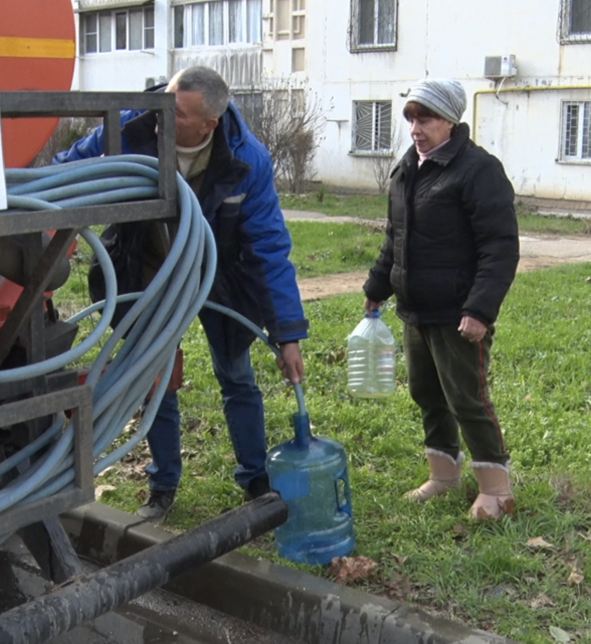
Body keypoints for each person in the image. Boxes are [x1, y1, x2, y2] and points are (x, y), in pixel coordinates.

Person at [54, 66, 307, 521]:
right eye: (165, 103)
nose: (163, 117)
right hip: (147, 268)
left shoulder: (247, 159)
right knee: (155, 377)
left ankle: (256, 480)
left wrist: (288, 332)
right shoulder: (130, 128)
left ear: (209, 123)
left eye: (179, 112)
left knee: (236, 374)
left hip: (219, 275)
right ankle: (163, 484)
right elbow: (64, 172)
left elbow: (269, 247)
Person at [362, 78, 520, 520]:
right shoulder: (406, 169)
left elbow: (500, 246)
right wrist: (377, 288)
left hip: (458, 313)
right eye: (411, 117)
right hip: (417, 310)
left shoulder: (477, 170)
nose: (416, 127)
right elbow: (396, 238)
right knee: (427, 394)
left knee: (467, 398)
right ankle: (444, 476)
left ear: (451, 120)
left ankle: (497, 490)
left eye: (425, 117)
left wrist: (479, 309)